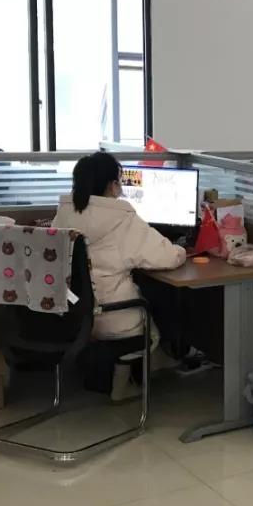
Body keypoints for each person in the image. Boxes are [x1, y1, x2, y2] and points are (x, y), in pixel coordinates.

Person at [53, 151, 186, 400]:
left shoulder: (64, 214)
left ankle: (136, 370)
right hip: (114, 319)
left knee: (145, 289)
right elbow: (167, 257)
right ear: (112, 185)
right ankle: (122, 385)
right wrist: (182, 249)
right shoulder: (122, 218)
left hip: (72, 315)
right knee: (156, 302)